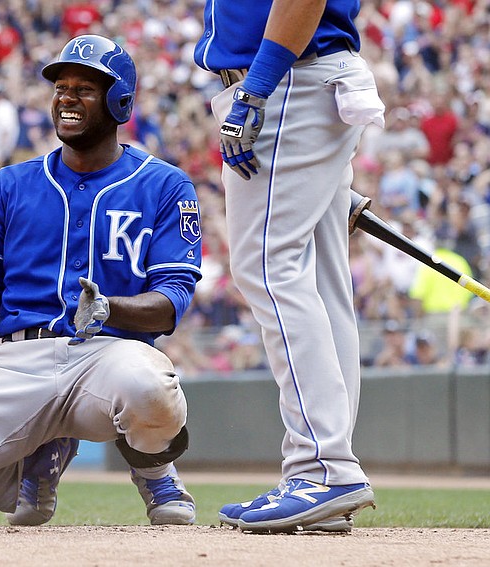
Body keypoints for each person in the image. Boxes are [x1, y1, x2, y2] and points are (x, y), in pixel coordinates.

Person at [0, 35, 202, 527]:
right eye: (61, 87)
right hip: (18, 361)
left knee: (149, 385)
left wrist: (111, 309)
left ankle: (154, 473)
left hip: (106, 360)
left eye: (84, 88)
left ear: (120, 103)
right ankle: (34, 462)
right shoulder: (10, 185)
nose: (66, 97)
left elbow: (173, 300)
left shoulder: (164, 184)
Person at [194, 1, 381, 532]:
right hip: (308, 80)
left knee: (267, 269)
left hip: (285, 82)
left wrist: (255, 88)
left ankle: (323, 468)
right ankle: (327, 470)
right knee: (321, 283)